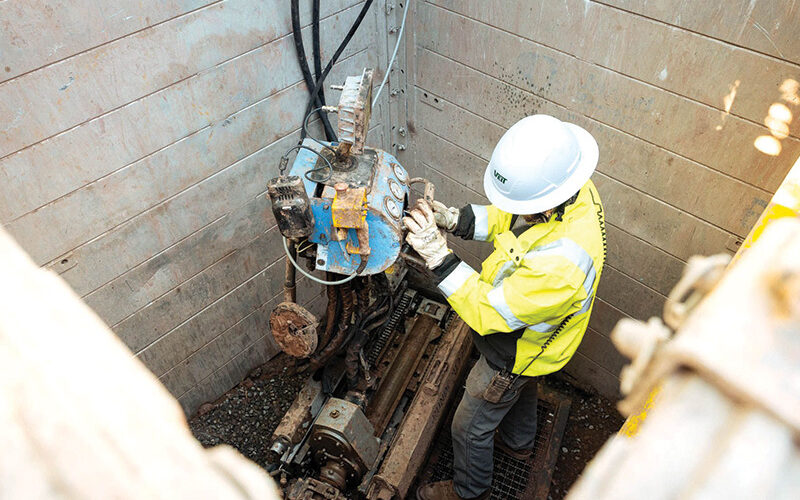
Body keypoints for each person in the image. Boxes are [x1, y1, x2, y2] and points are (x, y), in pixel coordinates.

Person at [405, 115, 606, 500]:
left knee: (468, 427)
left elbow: (489, 314)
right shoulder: (569, 187)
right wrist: (456, 219)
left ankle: (471, 491)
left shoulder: (561, 267)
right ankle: (519, 444)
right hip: (541, 348)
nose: (520, 211)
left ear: (547, 203)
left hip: (517, 351)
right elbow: (511, 214)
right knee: (522, 392)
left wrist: (438, 256)